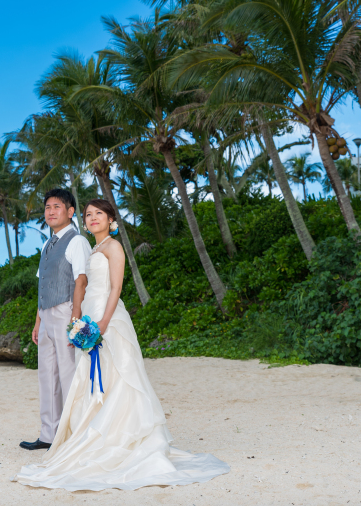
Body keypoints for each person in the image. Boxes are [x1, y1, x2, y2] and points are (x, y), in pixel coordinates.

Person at [13, 199, 230, 491]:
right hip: (90, 313)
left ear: (111, 219)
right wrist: (79, 318)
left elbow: (116, 287)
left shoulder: (114, 247)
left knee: (120, 375)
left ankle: (121, 437)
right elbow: (83, 285)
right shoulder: (92, 249)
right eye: (89, 215)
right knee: (91, 378)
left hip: (108, 316)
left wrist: (103, 322)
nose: (92, 219)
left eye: (98, 214)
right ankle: (89, 433)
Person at [19, 189, 92, 451]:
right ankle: (48, 434)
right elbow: (43, 286)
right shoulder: (46, 244)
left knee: (68, 373)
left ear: (70, 212)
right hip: (47, 314)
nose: (50, 211)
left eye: (57, 206)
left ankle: (73, 434)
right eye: (47, 207)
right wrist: (38, 322)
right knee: (47, 376)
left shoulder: (77, 241)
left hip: (65, 312)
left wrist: (75, 318)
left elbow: (81, 279)